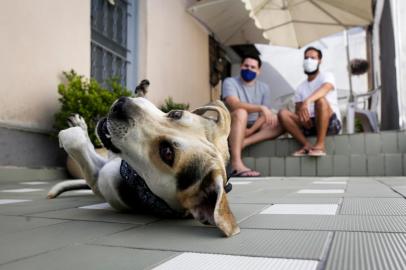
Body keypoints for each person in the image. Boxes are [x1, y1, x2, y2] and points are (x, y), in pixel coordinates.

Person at [223, 54, 283, 177]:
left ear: (258, 71)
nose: (249, 69)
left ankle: (243, 142)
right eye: (246, 66)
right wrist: (260, 107)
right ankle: (236, 164)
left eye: (252, 67)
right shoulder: (230, 82)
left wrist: (251, 130)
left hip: (254, 126)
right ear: (241, 66)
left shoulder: (264, 88)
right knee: (241, 112)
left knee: (279, 120)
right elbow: (234, 104)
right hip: (234, 122)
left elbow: (264, 115)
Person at [278, 47, 342, 157]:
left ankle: (320, 145)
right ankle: (306, 145)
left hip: (330, 123)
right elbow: (299, 111)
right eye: (306, 58)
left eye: (313, 58)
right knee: (282, 113)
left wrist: (307, 101)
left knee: (320, 101)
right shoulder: (300, 88)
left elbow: (326, 87)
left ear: (320, 61)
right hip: (310, 125)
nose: (309, 60)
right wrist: (303, 119)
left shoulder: (327, 76)